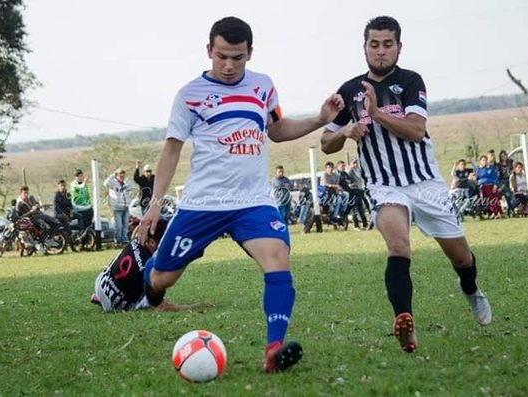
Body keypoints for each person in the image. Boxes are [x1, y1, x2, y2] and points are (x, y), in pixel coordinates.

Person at [137, 16, 343, 373]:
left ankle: (273, 351)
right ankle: (148, 289)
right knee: (163, 277)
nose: (229, 65)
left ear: (250, 53)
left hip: (253, 202)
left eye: (238, 57)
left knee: (277, 257)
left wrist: (319, 118)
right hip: (203, 204)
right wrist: (154, 206)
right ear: (208, 51)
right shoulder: (189, 96)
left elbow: (276, 130)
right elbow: (171, 151)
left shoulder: (263, 86)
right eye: (222, 56)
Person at [320, 16, 491, 353]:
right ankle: (405, 322)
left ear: (399, 47)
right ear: (365, 47)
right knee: (398, 246)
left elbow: (415, 131)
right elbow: (326, 142)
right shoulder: (349, 90)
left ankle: (470, 290)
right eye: (374, 44)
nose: (381, 51)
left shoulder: (411, 81)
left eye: (388, 44)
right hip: (384, 185)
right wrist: (345, 130)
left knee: (461, 258)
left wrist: (376, 113)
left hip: (424, 182)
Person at [91, 218, 211, 312]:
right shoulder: (148, 268)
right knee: (151, 295)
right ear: (152, 242)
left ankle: (100, 297)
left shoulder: (138, 240)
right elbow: (160, 306)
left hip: (100, 283)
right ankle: (106, 300)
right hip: (115, 305)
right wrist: (191, 307)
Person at [104, 168, 133, 245]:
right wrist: (113, 175)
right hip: (117, 208)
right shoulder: (113, 183)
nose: (122, 178)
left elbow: (131, 187)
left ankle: (124, 239)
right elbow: (106, 183)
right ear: (116, 176)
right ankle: (118, 240)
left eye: (123, 176)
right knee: (119, 225)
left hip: (126, 206)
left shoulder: (126, 183)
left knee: (125, 225)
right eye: (120, 176)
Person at [347, 159, 369, 229]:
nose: (355, 164)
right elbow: (348, 182)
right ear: (351, 164)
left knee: (362, 207)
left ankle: (365, 223)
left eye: (356, 163)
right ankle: (356, 224)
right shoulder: (350, 172)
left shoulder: (359, 171)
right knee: (355, 208)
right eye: (354, 163)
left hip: (361, 190)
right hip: (354, 191)